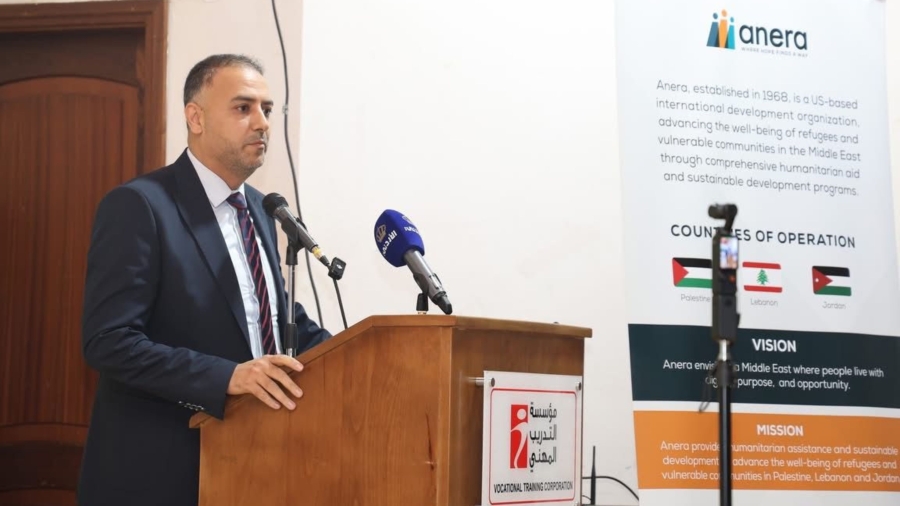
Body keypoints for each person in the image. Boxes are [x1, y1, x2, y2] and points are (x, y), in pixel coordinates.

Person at [76, 54, 331, 506]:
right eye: (243, 108)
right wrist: (227, 376)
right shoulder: (140, 206)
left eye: (267, 109)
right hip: (160, 472)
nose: (262, 123)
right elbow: (109, 341)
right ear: (195, 118)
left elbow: (270, 317)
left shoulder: (261, 209)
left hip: (248, 464)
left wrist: (366, 354)